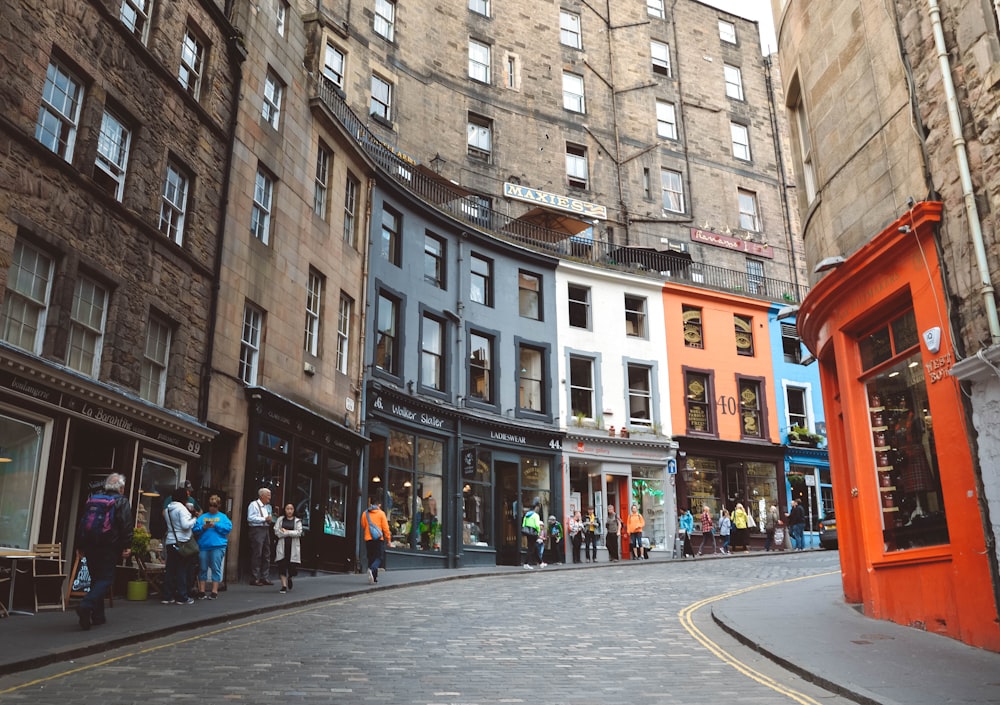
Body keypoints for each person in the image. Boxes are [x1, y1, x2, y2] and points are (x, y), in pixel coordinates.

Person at [74, 473, 133, 630]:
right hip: (109, 546)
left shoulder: (94, 498)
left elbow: (82, 522)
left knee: (95, 580)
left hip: (91, 545)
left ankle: (98, 616)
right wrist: (127, 545)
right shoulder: (121, 501)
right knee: (106, 579)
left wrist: (80, 545)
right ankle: (86, 605)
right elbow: (126, 525)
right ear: (121, 488)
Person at [163, 486, 197, 605]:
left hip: (170, 541)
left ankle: (167, 596)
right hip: (182, 542)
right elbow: (185, 525)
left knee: (170, 569)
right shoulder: (182, 509)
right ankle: (182, 596)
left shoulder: (168, 509)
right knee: (182, 569)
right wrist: (194, 519)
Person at [193, 494, 231, 599]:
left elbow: (227, 529)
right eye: (210, 505)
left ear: (218, 506)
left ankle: (214, 591)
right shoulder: (203, 517)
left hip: (218, 546)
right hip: (204, 546)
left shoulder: (223, 517)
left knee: (216, 568)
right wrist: (203, 527)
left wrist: (216, 525)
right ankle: (202, 591)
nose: (212, 508)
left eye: (214, 506)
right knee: (202, 568)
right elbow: (195, 530)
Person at [246, 487, 274, 585]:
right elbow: (250, 518)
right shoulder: (254, 505)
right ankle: (255, 577)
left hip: (266, 529)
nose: (269, 498)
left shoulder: (268, 507)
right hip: (257, 530)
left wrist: (270, 519)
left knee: (267, 553)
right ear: (262, 496)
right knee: (257, 553)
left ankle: (264, 576)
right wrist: (264, 519)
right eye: (268, 496)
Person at [274, 503, 303, 593]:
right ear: (285, 510)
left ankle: (290, 577)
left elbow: (299, 532)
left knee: (292, 568)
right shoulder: (280, 519)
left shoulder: (297, 521)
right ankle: (284, 586)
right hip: (282, 546)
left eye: (291, 509)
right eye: (287, 509)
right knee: (282, 565)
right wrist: (288, 533)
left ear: (294, 510)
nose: (289, 511)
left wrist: (286, 532)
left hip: (293, 547)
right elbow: (277, 531)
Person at [360, 498, 390, 584]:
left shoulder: (365, 513)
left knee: (371, 557)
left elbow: (363, 525)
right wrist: (388, 539)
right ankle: (372, 569)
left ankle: (374, 578)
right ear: (379, 505)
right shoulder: (381, 513)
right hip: (378, 539)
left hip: (368, 539)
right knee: (379, 557)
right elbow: (386, 528)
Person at [521, 503, 544, 569]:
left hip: (528, 532)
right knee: (531, 548)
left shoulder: (527, 515)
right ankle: (526, 563)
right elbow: (537, 524)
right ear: (536, 508)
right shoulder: (536, 515)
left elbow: (523, 524)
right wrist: (539, 531)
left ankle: (541, 562)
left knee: (534, 547)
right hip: (534, 532)